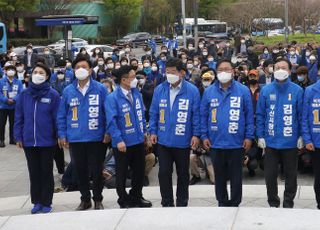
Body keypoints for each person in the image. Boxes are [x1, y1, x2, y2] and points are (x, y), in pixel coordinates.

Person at [57, 56, 109, 211]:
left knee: (97, 170)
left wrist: (108, 131)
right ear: (73, 70)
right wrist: (62, 135)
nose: (81, 69)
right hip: (76, 138)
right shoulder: (68, 90)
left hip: (96, 138)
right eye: (77, 66)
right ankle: (85, 199)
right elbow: (61, 115)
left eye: (84, 66)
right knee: (80, 171)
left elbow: (108, 112)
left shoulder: (100, 89)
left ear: (90, 70)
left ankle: (98, 199)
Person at [200, 59, 254, 207]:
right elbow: (203, 116)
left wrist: (249, 137)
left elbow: (249, 115)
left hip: (236, 143)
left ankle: (235, 203)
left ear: (233, 71)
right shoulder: (209, 92)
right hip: (216, 142)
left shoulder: (243, 91)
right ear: (216, 73)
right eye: (220, 69)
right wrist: (204, 136)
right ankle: (222, 203)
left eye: (227, 69)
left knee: (237, 177)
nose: (224, 72)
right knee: (220, 176)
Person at [149, 58, 201, 207]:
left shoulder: (192, 91)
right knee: (163, 173)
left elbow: (196, 115)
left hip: (183, 140)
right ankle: (167, 202)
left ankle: (182, 202)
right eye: (167, 72)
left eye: (172, 72)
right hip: (163, 140)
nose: (169, 75)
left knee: (183, 174)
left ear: (182, 73)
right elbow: (153, 113)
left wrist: (196, 134)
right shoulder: (160, 89)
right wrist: (152, 131)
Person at [256, 58, 304, 208]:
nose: (280, 70)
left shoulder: (297, 90)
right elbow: (260, 115)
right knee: (270, 176)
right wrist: (260, 135)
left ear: (290, 71)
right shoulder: (266, 90)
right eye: (277, 67)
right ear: (272, 70)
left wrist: (302, 135)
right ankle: (273, 203)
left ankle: (288, 203)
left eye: (284, 67)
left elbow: (302, 115)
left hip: (290, 141)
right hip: (270, 142)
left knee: (291, 176)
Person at [14, 63, 60, 214]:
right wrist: (18, 136)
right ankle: (37, 202)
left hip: (47, 141)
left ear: (47, 76)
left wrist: (59, 135)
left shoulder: (53, 94)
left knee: (46, 171)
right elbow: (19, 116)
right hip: (29, 140)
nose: (38, 74)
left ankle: (47, 201)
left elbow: (57, 118)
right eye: (35, 72)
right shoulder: (24, 94)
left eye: (41, 72)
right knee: (34, 172)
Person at [106, 65, 152, 209]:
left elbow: (141, 115)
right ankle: (123, 199)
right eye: (133, 77)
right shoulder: (112, 98)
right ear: (124, 80)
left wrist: (145, 133)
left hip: (138, 140)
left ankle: (136, 196)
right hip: (123, 143)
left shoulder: (136, 93)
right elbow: (111, 121)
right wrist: (118, 140)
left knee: (139, 171)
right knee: (121, 172)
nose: (136, 79)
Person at [302, 79, 320, 209]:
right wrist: (307, 139)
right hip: (316, 141)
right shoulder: (310, 90)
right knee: (319, 177)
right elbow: (305, 118)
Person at [0, 65, 23, 147]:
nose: (10, 71)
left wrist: (14, 99)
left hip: (14, 106)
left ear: (15, 72)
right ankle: (1, 140)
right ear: (5, 71)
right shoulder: (1, 81)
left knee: (13, 123)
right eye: (8, 70)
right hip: (3, 106)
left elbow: (21, 93)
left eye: (12, 70)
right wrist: (6, 100)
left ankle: (12, 139)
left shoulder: (18, 82)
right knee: (2, 124)